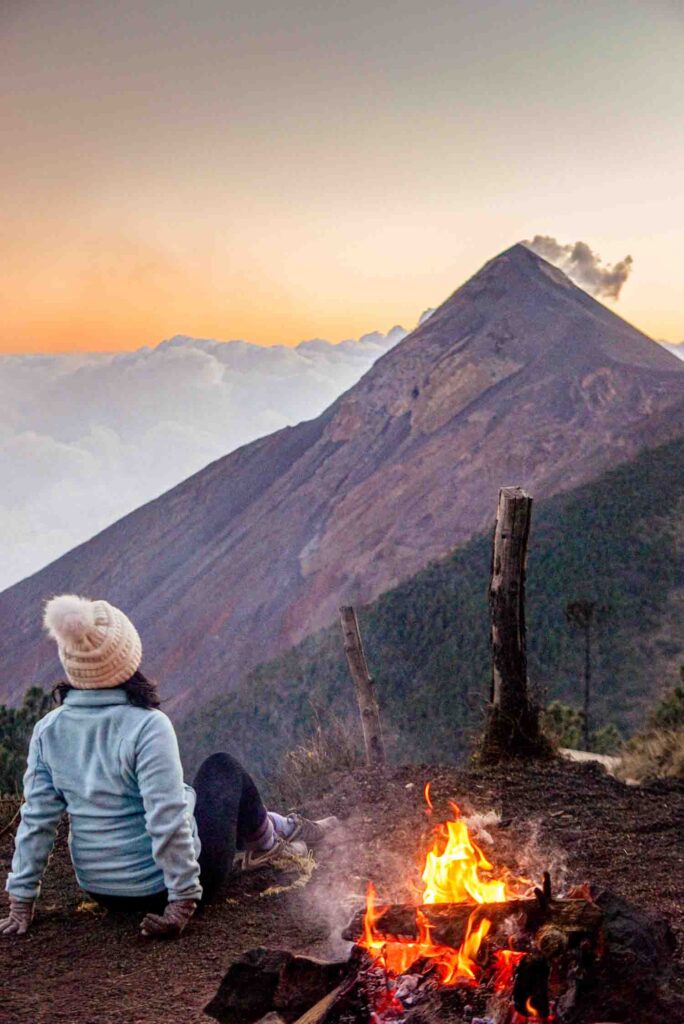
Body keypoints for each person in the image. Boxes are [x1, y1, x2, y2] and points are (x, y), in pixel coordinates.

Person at [1, 594, 335, 940]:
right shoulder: (147, 725)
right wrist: (182, 900)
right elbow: (166, 818)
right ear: (127, 656)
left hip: (102, 890)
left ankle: (280, 827)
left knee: (196, 800)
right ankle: (268, 845)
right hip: (160, 889)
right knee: (222, 769)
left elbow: (37, 820)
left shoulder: (48, 730)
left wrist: (21, 901)